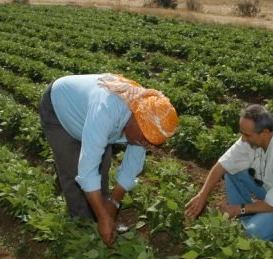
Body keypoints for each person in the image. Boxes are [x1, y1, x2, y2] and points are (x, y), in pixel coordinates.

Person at [39, 73, 178, 246]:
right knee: (74, 171)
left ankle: (102, 218)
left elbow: (131, 167)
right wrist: (104, 217)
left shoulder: (145, 113)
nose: (144, 143)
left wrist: (112, 204)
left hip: (90, 119)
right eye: (144, 138)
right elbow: (87, 171)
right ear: (136, 119)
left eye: (150, 142)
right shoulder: (106, 109)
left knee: (102, 167)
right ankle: (83, 230)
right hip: (59, 109)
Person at [185, 104, 273, 248]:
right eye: (242, 133)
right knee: (231, 171)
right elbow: (222, 164)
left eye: (247, 135)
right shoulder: (251, 139)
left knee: (250, 235)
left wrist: (238, 209)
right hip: (272, 192)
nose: (243, 139)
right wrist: (202, 195)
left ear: (265, 133)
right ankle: (252, 219)